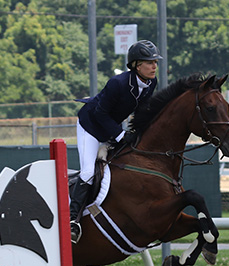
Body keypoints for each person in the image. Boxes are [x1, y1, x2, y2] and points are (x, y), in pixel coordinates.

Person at [70, 39, 163, 243]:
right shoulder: (118, 83)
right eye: (149, 62)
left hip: (111, 127)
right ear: (137, 65)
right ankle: (72, 220)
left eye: (155, 62)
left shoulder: (150, 83)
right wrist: (120, 136)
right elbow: (100, 114)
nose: (154, 66)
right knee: (87, 172)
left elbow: (141, 113)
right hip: (91, 126)